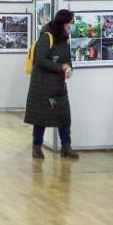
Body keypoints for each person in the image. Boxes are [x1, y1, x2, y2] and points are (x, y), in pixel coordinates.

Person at [25, 9, 79, 160]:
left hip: (58, 84)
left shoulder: (64, 37)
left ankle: (66, 147)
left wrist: (69, 68)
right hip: (42, 84)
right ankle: (36, 147)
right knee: (40, 117)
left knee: (64, 116)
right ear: (64, 22)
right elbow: (40, 60)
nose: (72, 25)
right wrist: (60, 67)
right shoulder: (46, 36)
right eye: (71, 22)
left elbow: (68, 58)